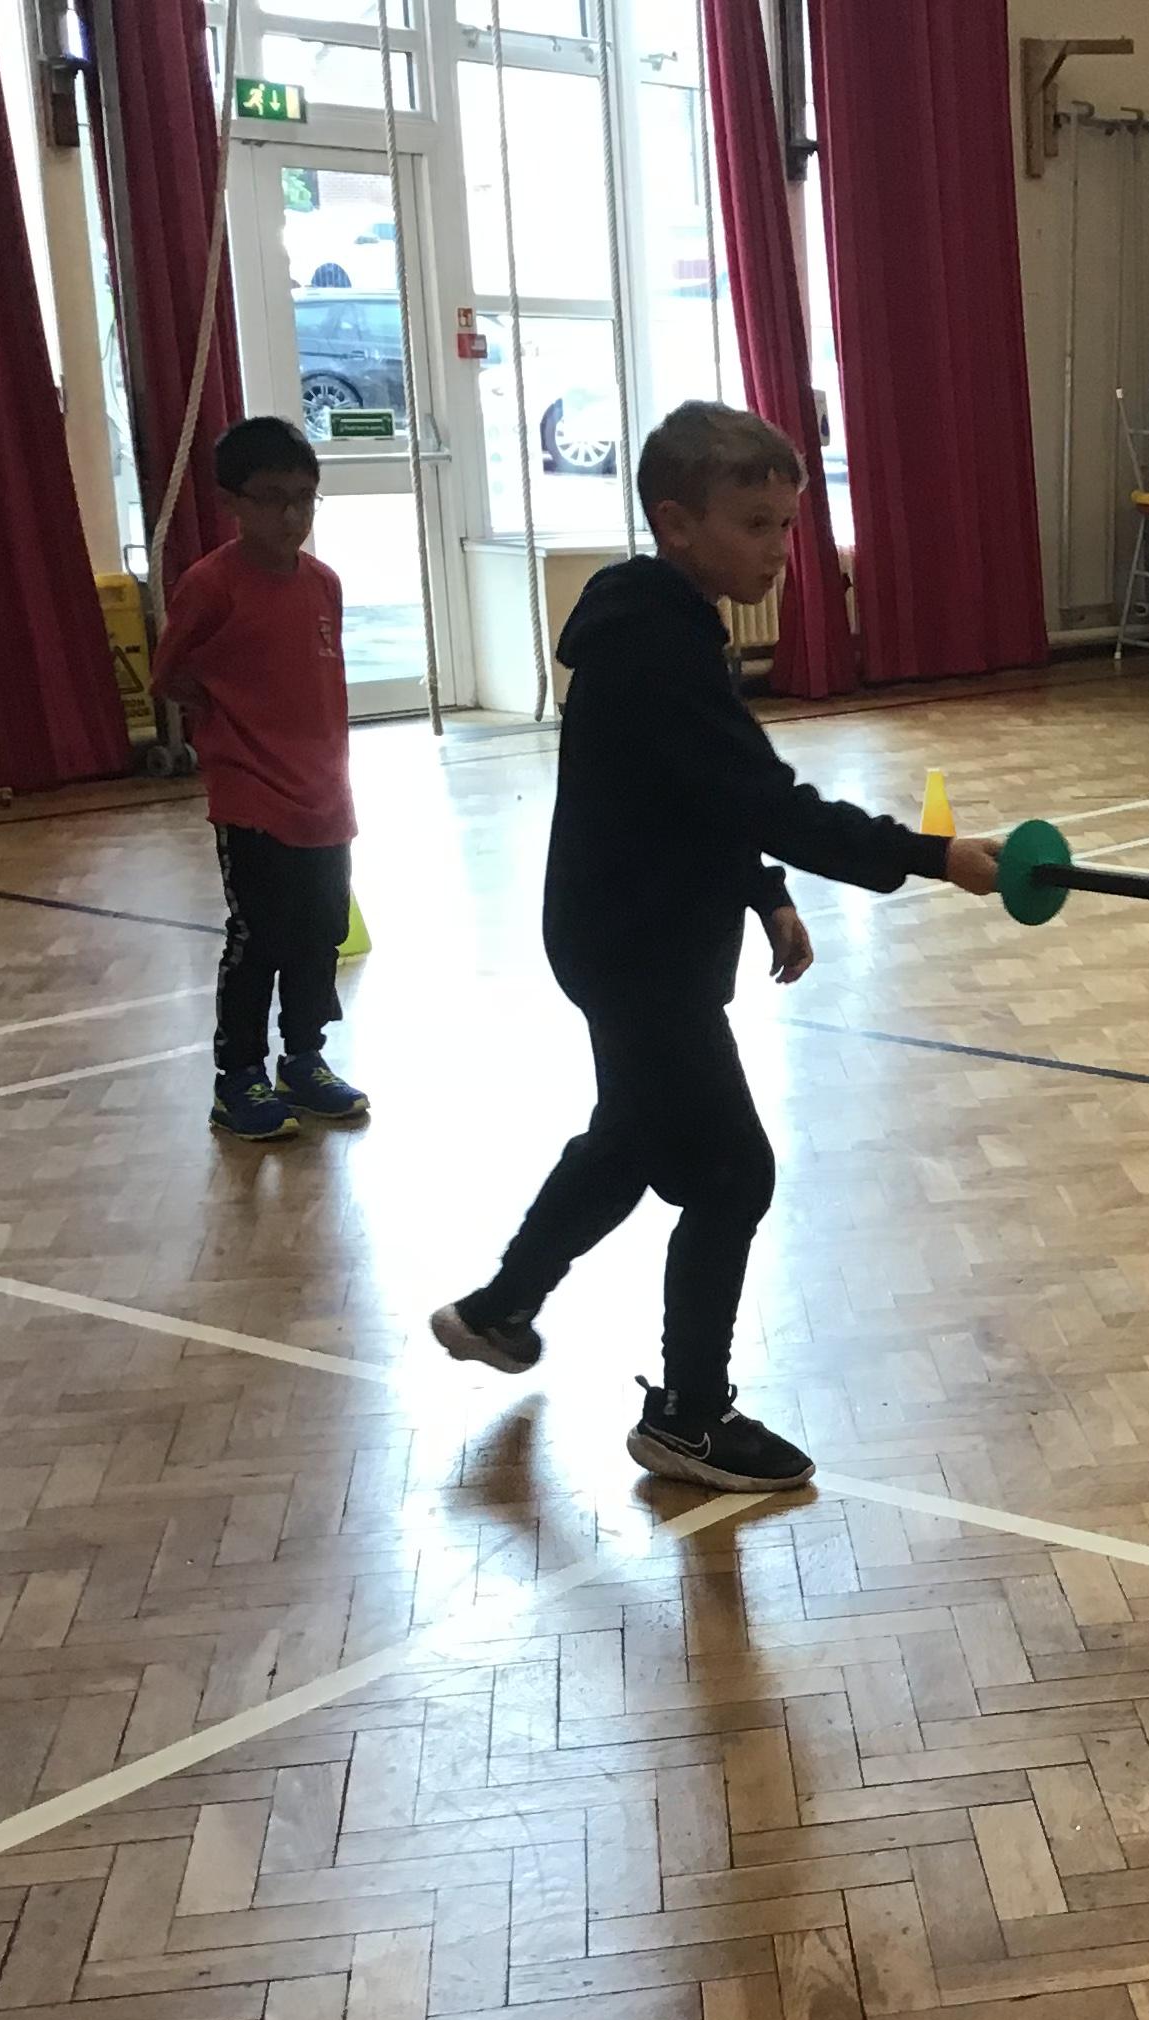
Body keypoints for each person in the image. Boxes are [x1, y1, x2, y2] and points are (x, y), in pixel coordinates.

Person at [429, 402, 1002, 1493]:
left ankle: (499, 1311)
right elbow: (759, 796)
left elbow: (699, 792)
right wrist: (932, 856)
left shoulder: (672, 623)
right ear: (676, 522)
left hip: (629, 931)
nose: (779, 551)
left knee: (632, 1140)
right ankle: (689, 1420)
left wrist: (763, 892)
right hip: (637, 945)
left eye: (787, 525)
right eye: (754, 526)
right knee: (733, 1174)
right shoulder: (654, 644)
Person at [151, 416, 367, 1143]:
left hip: (325, 800)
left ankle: (303, 1059)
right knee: (259, 938)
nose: (291, 516)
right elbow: (171, 674)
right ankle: (237, 1076)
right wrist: (234, 726)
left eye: (305, 498)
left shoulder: (324, 585)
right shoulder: (210, 587)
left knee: (321, 933)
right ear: (232, 503)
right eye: (273, 499)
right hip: (251, 798)